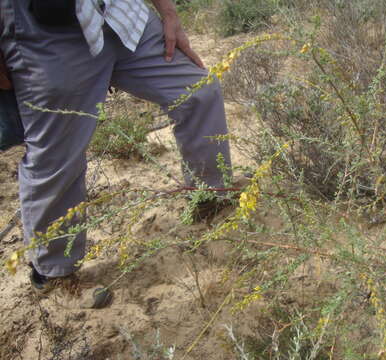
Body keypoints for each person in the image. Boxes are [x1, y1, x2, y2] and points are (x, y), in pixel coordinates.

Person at [0, 0, 231, 308]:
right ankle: (53, 272)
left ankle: (210, 197)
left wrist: (169, 13)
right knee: (57, 158)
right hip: (45, 31)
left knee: (197, 91)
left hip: (120, 12)